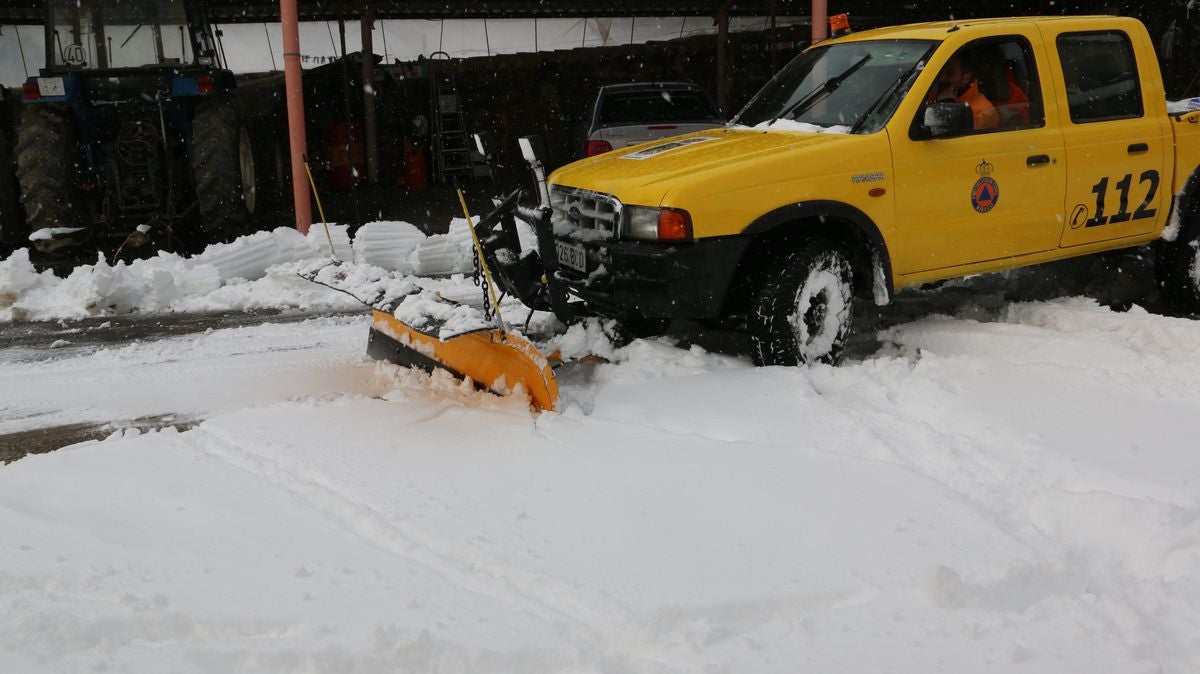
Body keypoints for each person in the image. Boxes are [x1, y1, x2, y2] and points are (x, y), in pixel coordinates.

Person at [934, 54, 999, 131]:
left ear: (966, 77)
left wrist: (947, 103)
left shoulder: (981, 111)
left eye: (949, 73)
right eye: (940, 72)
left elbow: (954, 136)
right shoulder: (935, 94)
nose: (941, 78)